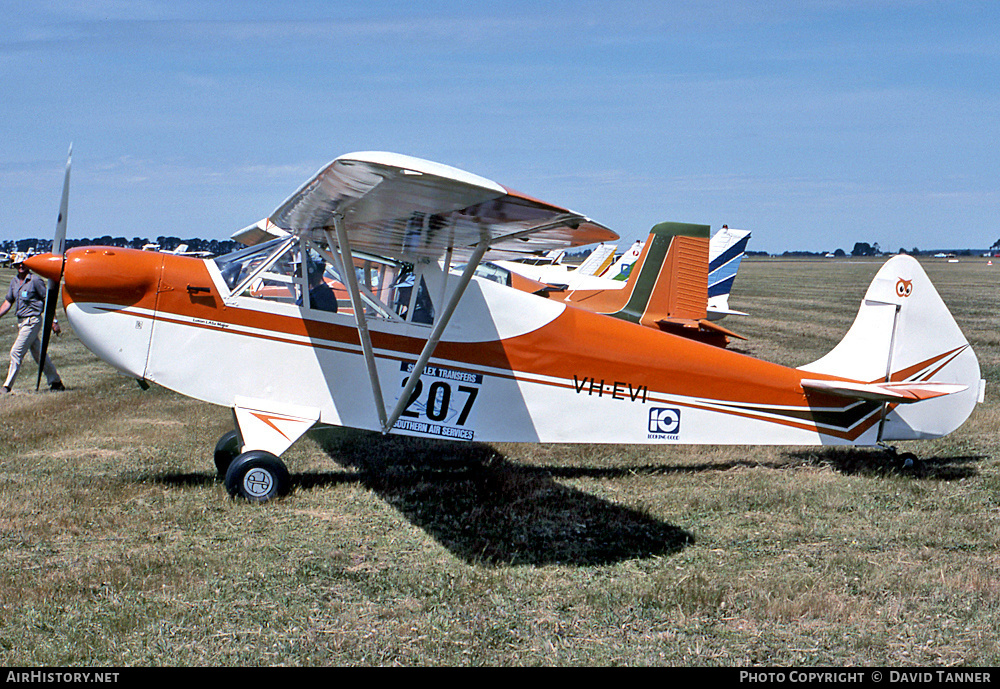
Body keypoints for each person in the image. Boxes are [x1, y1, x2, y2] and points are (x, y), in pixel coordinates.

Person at [0, 258, 64, 393]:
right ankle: (56, 382)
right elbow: (8, 302)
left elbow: (48, 301)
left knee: (16, 352)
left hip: (32, 321)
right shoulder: (14, 281)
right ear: (15, 265)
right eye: (18, 264)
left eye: (23, 263)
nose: (21, 266)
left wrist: (54, 321)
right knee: (38, 354)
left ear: (28, 265)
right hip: (21, 322)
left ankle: (6, 387)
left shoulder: (35, 280)